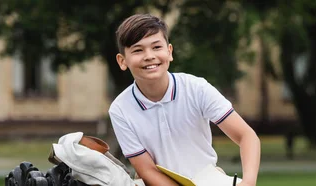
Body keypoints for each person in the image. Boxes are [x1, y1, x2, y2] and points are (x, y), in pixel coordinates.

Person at [108, 13, 261, 186]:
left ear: (170, 51)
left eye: (156, 47)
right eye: (138, 50)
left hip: (209, 180)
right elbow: (146, 170)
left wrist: (248, 182)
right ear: (122, 61)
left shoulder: (197, 88)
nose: (149, 56)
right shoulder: (120, 109)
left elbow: (247, 136)